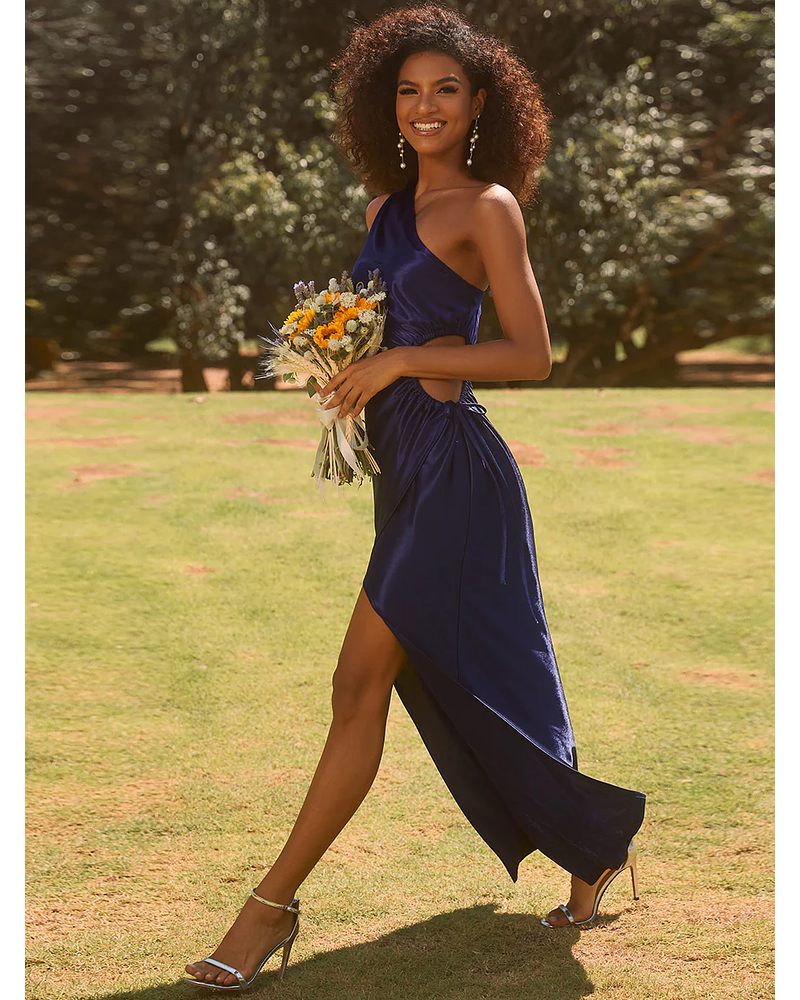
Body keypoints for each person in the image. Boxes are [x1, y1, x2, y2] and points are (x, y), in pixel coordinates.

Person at [185, 4, 645, 991]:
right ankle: (593, 843)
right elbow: (378, 334)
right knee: (481, 675)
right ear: (383, 107)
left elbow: (531, 354)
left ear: (478, 104)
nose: (425, 105)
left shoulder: (488, 207)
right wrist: (344, 367)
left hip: (456, 475)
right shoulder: (379, 212)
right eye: (407, 90)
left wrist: (399, 356)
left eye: (445, 89)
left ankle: (264, 911)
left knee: (358, 682)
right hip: (405, 475)